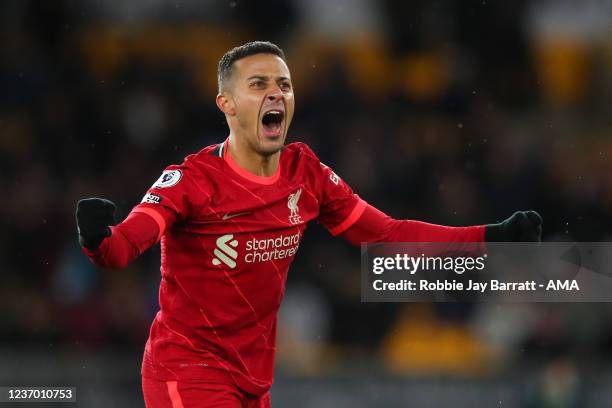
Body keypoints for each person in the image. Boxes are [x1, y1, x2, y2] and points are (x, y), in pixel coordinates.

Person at [75, 41, 542, 407]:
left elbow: (386, 234)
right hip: (187, 368)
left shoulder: (307, 174)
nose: (275, 92)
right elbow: (123, 248)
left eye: (283, 84)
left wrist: (489, 236)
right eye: (258, 84)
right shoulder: (191, 181)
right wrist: (99, 239)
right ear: (227, 103)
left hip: (253, 378)